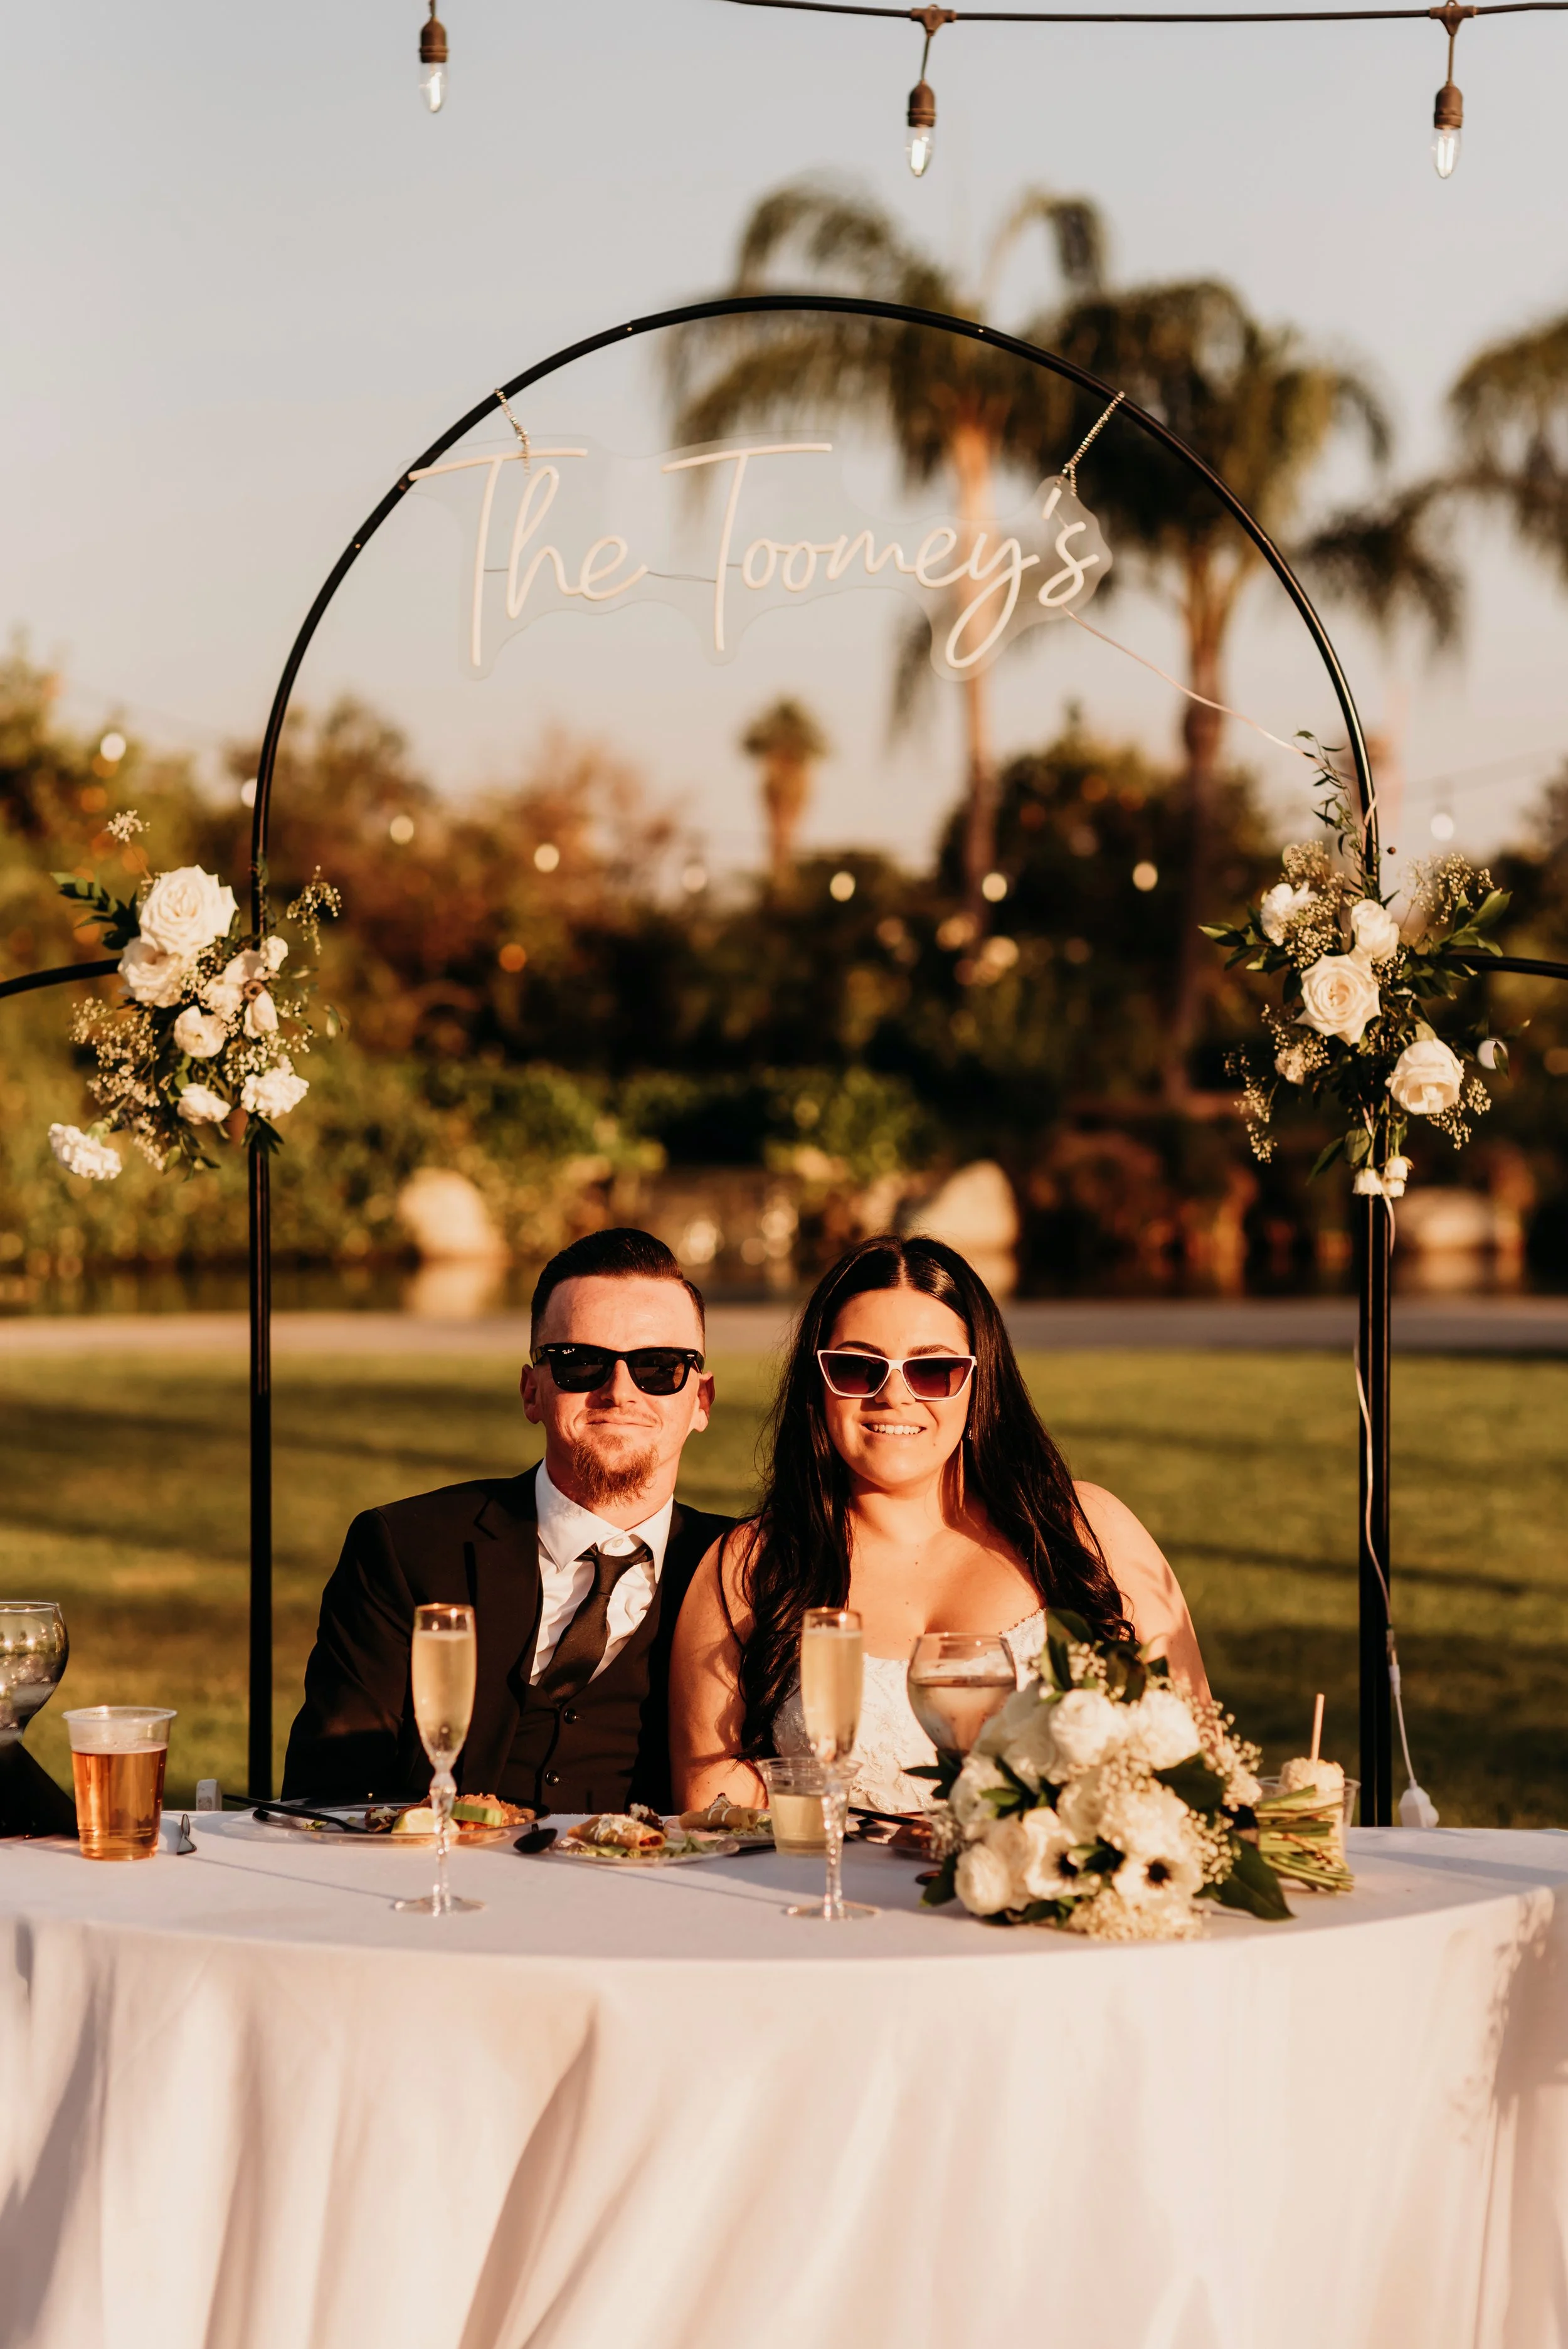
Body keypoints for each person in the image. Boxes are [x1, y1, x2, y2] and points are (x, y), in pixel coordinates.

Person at [669, 1234, 1208, 1815]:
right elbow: (709, 1800)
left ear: (980, 1383)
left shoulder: (1086, 1532)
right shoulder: (751, 1565)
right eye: (856, 1368)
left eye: (932, 1371)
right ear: (817, 1388)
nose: (893, 1396)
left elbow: (1198, 1759)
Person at [283, 1228, 733, 1816]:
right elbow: (329, 1796)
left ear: (701, 1401)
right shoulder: (405, 1548)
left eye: (660, 1367)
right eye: (580, 1363)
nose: (619, 1390)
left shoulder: (744, 1568)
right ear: (531, 1391)